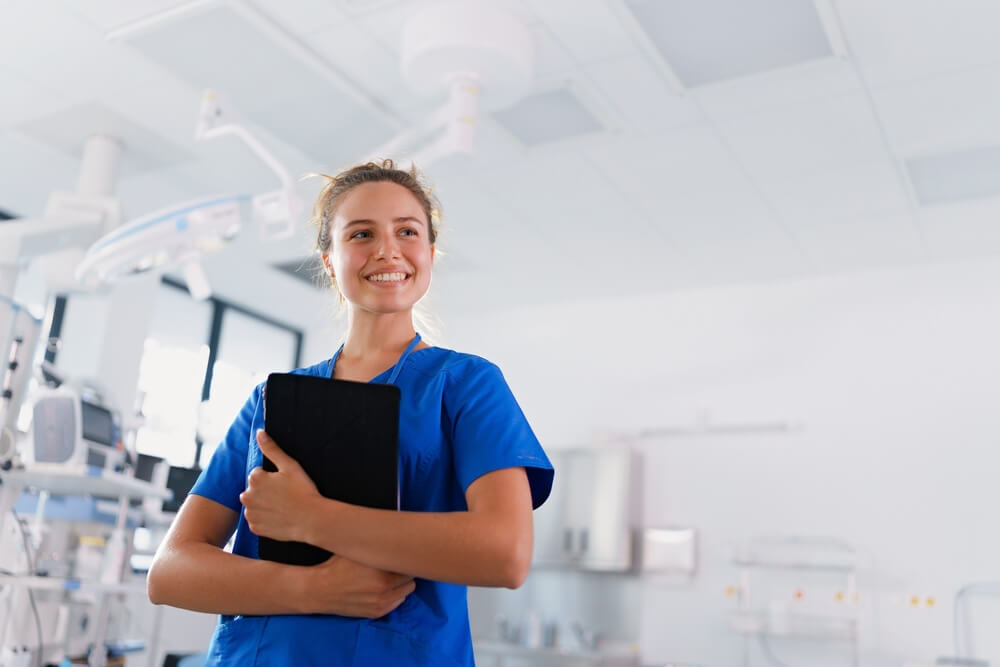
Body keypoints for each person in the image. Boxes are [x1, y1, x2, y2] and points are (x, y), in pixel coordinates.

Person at [146, 160, 554, 666]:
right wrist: (311, 589)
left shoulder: (466, 385)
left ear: (429, 253)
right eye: (362, 233)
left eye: (407, 231)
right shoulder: (270, 401)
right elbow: (169, 572)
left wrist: (312, 519)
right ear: (330, 261)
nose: (387, 249)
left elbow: (505, 553)